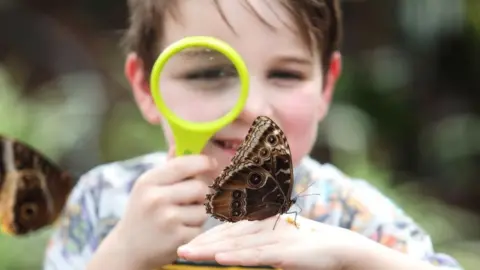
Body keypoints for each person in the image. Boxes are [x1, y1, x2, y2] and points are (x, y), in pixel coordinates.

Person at [43, 1, 463, 270]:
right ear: (146, 88)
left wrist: (357, 260)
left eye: (286, 74)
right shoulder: (102, 202)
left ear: (325, 88)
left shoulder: (352, 217)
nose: (254, 109)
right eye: (208, 72)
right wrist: (121, 257)